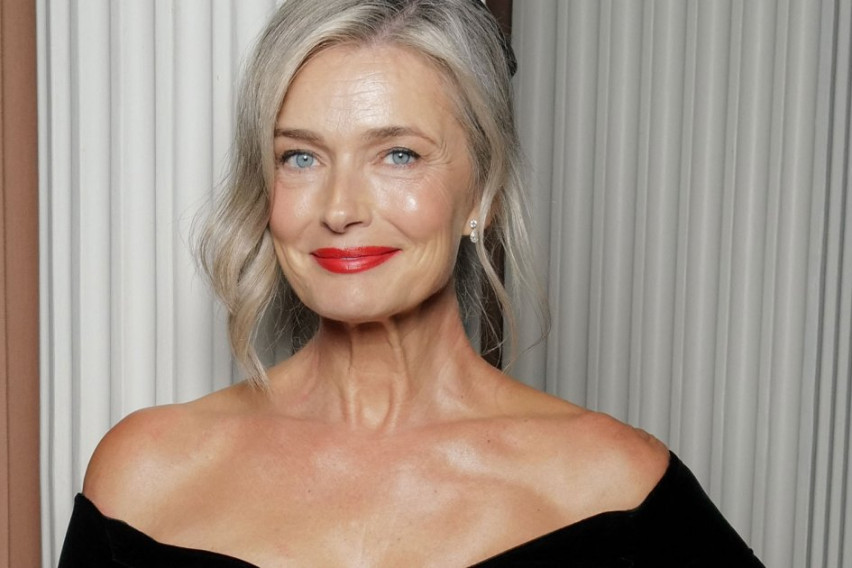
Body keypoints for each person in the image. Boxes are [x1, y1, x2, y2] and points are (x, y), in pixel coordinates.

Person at [58, 0, 764, 566]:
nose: (340, 209)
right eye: (300, 157)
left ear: (482, 192)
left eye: (398, 154)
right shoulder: (145, 475)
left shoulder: (612, 484)